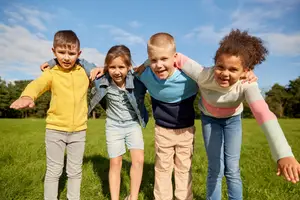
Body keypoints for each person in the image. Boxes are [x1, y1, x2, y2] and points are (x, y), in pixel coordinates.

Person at [173, 29, 300, 199]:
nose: (225, 73)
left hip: (232, 120)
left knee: (232, 168)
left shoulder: (247, 84)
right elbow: (173, 56)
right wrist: (145, 64)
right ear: (214, 63)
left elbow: (263, 113)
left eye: (233, 70)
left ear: (245, 70)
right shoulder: (204, 74)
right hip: (209, 120)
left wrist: (283, 153)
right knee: (215, 168)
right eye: (220, 67)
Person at [41, 45, 148, 200]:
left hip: (132, 125)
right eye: (112, 67)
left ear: (128, 66)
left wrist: (144, 65)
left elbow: (152, 60)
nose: (117, 72)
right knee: (115, 163)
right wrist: (51, 62)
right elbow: (78, 59)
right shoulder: (101, 79)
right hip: (113, 125)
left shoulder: (137, 79)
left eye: (121, 67)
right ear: (106, 67)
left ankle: (133, 197)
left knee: (139, 160)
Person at [10, 30, 89, 200]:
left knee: (75, 171)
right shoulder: (51, 73)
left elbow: (104, 73)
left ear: (79, 54)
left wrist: (100, 68)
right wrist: (27, 95)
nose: (66, 57)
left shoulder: (84, 73)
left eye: (71, 53)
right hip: (55, 130)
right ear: (53, 52)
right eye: (61, 52)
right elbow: (37, 85)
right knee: (54, 170)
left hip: (79, 131)